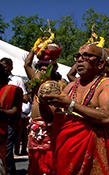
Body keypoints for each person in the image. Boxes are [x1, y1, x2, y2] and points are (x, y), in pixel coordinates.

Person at [39, 43, 109, 175]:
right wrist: (42, 103)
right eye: (78, 56)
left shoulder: (107, 84)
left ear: (100, 64)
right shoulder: (69, 87)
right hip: (66, 153)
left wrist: (71, 104)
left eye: (87, 56)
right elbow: (50, 119)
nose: (80, 60)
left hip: (93, 155)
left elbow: (107, 116)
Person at [24, 35, 62, 175]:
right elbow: (27, 64)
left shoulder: (60, 84)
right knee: (34, 161)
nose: (42, 69)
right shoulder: (35, 82)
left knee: (50, 162)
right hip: (34, 126)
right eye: (40, 66)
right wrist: (36, 48)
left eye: (46, 66)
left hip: (50, 126)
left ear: (54, 67)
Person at [0, 57, 28, 174]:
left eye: (5, 66)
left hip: (8, 124)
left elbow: (23, 100)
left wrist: (2, 111)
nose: (4, 69)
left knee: (6, 151)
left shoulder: (16, 82)